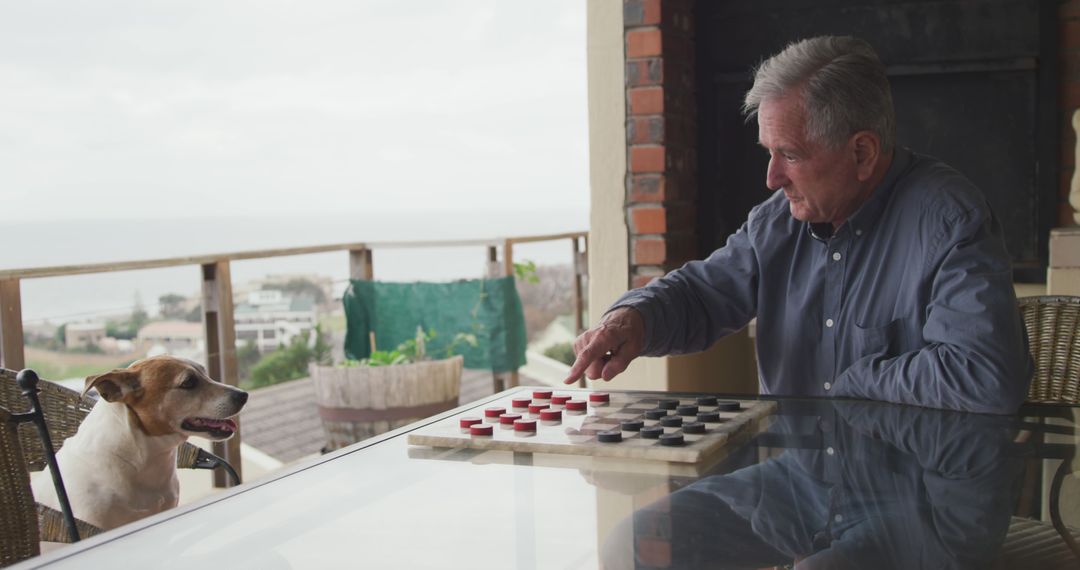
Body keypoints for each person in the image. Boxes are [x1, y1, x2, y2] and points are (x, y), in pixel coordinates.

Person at [564, 35, 1033, 414]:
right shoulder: (776, 222)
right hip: (793, 495)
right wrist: (635, 319)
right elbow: (702, 294)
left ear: (862, 153)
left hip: (906, 503)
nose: (771, 178)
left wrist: (857, 379)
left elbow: (985, 374)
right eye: (769, 153)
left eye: (789, 154)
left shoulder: (949, 218)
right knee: (650, 526)